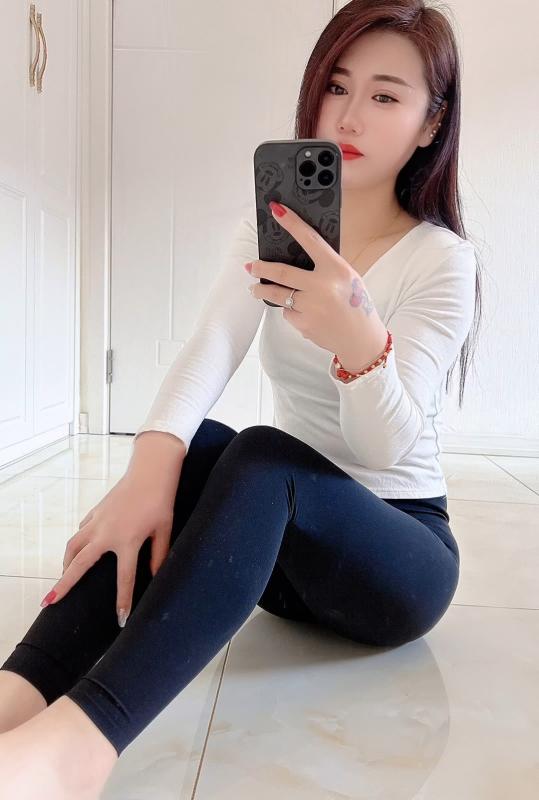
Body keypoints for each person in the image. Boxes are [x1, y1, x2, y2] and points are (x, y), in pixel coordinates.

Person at [0, 2, 482, 796]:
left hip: (397, 563)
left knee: (262, 456)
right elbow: (211, 346)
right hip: (279, 564)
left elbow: (383, 449)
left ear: (431, 123)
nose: (348, 115)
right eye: (335, 85)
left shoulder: (440, 260)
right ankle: (17, 693)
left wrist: (359, 343)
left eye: (384, 96)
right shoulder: (271, 229)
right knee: (203, 444)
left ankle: (75, 751)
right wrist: (149, 468)